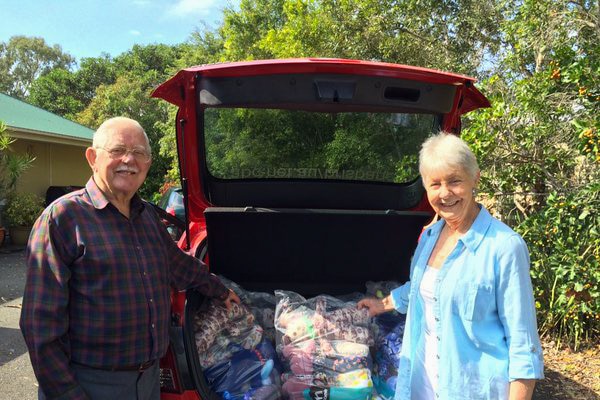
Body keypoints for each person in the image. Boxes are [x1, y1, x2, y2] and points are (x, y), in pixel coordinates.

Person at [20, 117, 240, 400]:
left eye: (139, 153)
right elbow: (40, 328)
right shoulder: (62, 219)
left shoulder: (147, 215)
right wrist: (67, 394)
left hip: (148, 380)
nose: (129, 160)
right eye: (117, 150)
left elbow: (179, 265)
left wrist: (221, 290)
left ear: (148, 163)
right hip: (90, 382)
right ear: (92, 158)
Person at [358, 132, 544, 400]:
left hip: (471, 391)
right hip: (419, 388)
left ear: (474, 179)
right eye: (435, 184)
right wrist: (382, 304)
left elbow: (523, 345)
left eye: (454, 181)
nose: (445, 194)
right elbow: (424, 288)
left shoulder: (504, 247)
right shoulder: (431, 236)